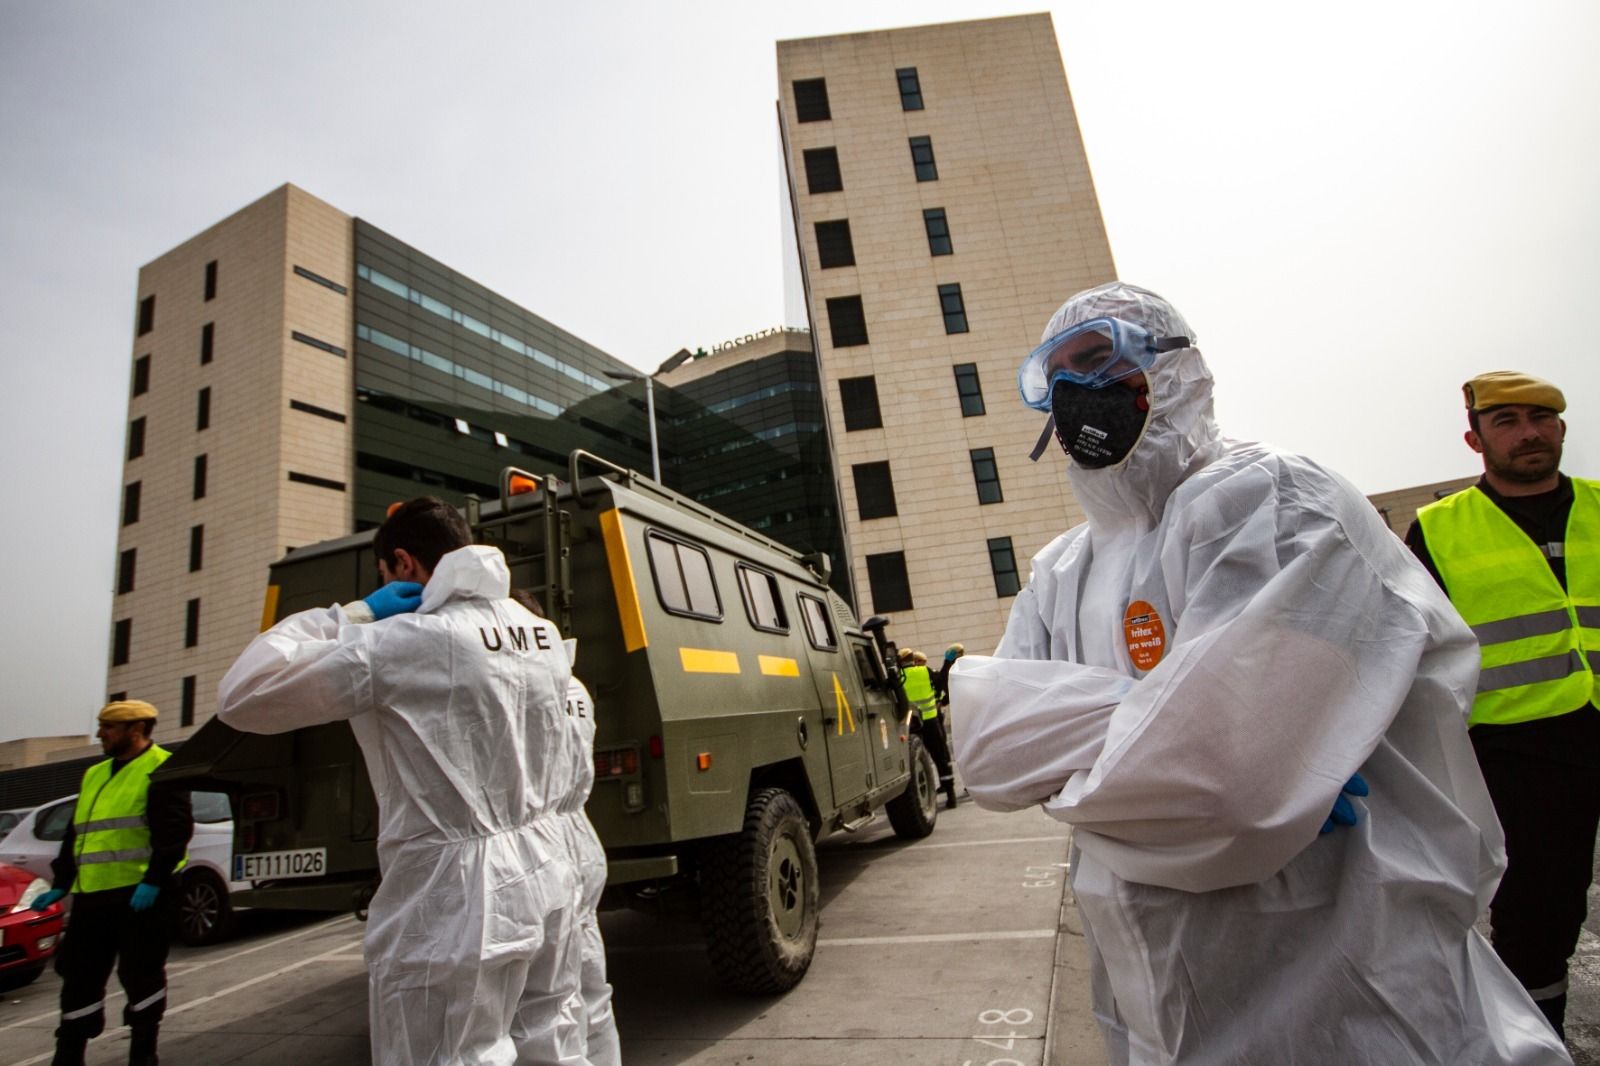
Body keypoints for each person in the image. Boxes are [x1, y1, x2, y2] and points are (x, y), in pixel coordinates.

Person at [950, 282, 1568, 1064]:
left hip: (1343, 964)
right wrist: (1179, 729)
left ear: (1173, 372)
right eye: (1058, 375)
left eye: (1099, 360)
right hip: (1150, 990)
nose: (1078, 392)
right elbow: (987, 754)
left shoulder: (1276, 501)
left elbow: (1224, 788)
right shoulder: (1060, 570)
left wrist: (1110, 753)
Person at [218, 497, 616, 1065]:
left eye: (386, 574)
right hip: (546, 865)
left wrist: (353, 614)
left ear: (403, 564)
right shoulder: (539, 633)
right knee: (554, 1039)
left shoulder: (404, 643)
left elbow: (245, 693)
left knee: (447, 1055)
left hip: (453, 890)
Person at [1405, 371, 1597, 1042]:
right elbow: (1412, 649)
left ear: (1563, 428)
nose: (1530, 433)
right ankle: (1537, 1043)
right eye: (1508, 421)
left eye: (1541, 418)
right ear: (1476, 438)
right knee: (1539, 923)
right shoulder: (1439, 528)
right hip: (1519, 754)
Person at [32, 699, 193, 1066]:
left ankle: (143, 1051)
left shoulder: (162, 769)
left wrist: (153, 881)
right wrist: (62, 881)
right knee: (78, 975)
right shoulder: (94, 774)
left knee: (141, 974)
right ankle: (69, 1053)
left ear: (135, 730)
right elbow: (77, 834)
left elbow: (174, 834)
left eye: (108, 727)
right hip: (92, 898)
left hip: (141, 898)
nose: (100, 733)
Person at [899, 649, 957, 809]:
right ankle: (951, 795)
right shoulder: (925, 671)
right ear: (912, 659)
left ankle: (921, 797)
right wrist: (947, 663)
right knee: (940, 757)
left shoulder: (898, 677)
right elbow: (940, 683)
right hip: (931, 721)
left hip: (912, 724)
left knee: (916, 760)